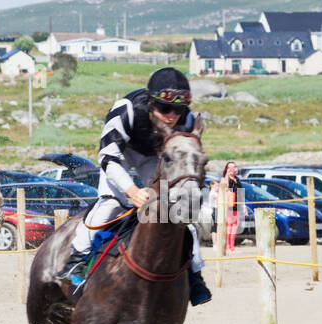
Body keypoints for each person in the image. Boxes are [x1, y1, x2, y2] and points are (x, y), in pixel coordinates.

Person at [57, 67, 211, 305]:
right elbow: (108, 157)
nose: (172, 116)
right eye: (164, 108)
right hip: (120, 154)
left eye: (178, 110)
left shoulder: (188, 121)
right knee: (110, 204)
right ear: (151, 103)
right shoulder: (126, 110)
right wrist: (133, 192)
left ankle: (195, 274)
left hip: (155, 159)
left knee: (180, 213)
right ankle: (76, 259)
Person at [216, 161, 242, 254]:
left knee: (235, 227)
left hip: (237, 204)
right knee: (229, 226)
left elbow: (240, 192)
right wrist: (227, 175)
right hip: (229, 205)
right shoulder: (224, 179)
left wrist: (244, 206)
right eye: (230, 167)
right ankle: (227, 246)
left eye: (234, 167)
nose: (232, 169)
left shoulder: (237, 179)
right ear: (226, 169)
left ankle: (232, 246)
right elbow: (225, 188)